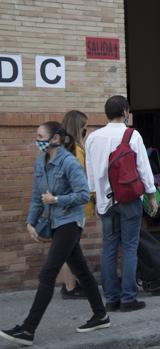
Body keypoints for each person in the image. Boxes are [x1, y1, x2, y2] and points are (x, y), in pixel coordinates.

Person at [0, 122, 109, 346]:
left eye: (41, 136)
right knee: (82, 271)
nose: (37, 139)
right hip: (55, 222)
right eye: (37, 135)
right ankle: (101, 315)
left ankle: (28, 330)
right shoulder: (41, 163)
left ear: (56, 139)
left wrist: (57, 200)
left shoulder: (69, 163)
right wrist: (30, 222)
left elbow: (83, 194)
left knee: (48, 273)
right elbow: (36, 195)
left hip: (70, 222)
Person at [85, 95, 157, 312]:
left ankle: (111, 298)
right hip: (129, 199)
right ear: (125, 111)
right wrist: (152, 195)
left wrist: (94, 194)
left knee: (108, 248)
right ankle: (128, 298)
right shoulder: (132, 135)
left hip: (104, 202)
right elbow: (143, 168)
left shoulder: (92, 138)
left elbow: (90, 175)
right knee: (129, 247)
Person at [57, 110, 94, 300]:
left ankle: (69, 285)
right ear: (78, 128)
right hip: (73, 205)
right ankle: (71, 287)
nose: (86, 130)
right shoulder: (76, 152)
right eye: (84, 127)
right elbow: (81, 180)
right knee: (68, 248)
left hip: (61, 205)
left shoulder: (58, 149)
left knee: (67, 248)